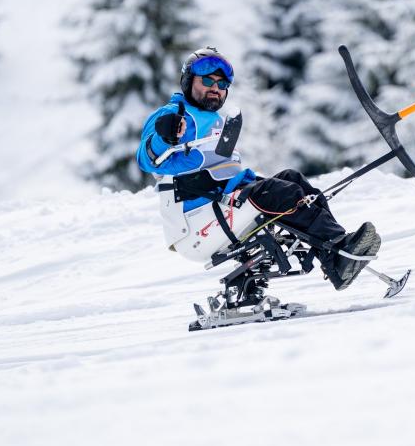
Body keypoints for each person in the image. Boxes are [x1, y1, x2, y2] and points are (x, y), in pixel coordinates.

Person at [136, 46, 380, 290]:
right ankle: (340, 252)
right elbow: (145, 158)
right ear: (188, 81)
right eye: (208, 80)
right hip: (195, 220)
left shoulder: (216, 121)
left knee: (292, 181)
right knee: (277, 192)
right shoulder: (173, 115)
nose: (215, 89)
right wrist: (163, 136)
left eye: (222, 85)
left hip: (220, 202)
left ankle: (336, 256)